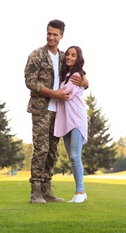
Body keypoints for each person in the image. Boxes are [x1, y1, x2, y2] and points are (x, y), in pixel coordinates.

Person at [24, 19, 89, 204]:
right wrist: (52, 93)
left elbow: (76, 74)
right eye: (49, 33)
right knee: (41, 149)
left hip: (60, 112)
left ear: (61, 36)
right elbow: (30, 81)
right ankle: (35, 191)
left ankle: (47, 190)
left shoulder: (63, 56)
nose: (51, 37)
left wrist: (86, 82)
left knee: (52, 151)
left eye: (55, 34)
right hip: (41, 109)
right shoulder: (36, 55)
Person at [54, 46, 88, 203]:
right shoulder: (66, 76)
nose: (69, 57)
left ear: (78, 58)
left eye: (73, 55)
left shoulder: (76, 75)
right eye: (67, 54)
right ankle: (79, 192)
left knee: (75, 156)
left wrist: (41, 91)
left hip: (76, 120)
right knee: (72, 157)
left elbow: (64, 94)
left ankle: (80, 192)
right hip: (66, 120)